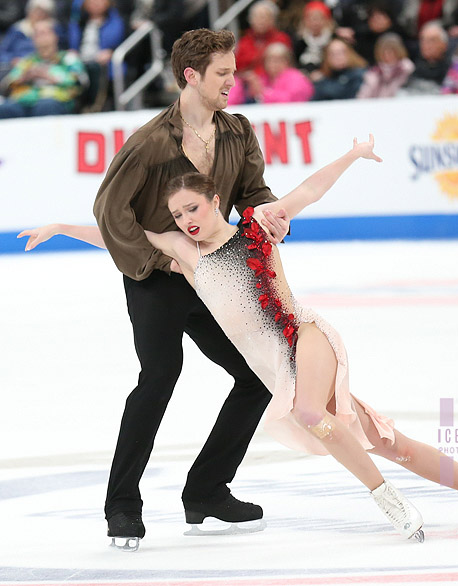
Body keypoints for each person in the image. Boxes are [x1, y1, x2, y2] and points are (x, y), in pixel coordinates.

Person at [19, 135, 458, 543]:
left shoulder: (258, 226)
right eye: (178, 215)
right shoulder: (185, 255)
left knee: (309, 414)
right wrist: (62, 227)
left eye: (194, 209)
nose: (187, 221)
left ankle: (386, 498)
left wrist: (352, 155)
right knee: (390, 442)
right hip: (278, 365)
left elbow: (308, 191)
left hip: (306, 336)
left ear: (215, 199)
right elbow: (122, 238)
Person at [25, 27, 289, 551]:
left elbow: (252, 191)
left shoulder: (237, 131)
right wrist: (158, 261)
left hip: (211, 275)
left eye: (233, 72)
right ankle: (122, 504)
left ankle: (207, 489)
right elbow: (110, 211)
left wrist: (269, 213)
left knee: (260, 374)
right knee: (160, 375)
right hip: (155, 279)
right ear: (191, 75)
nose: (232, 82)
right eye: (222, 73)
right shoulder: (150, 142)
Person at [0, 19, 86, 119]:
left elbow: (81, 81)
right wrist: (24, 78)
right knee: (5, 109)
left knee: (45, 106)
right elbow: (6, 84)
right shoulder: (27, 61)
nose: (41, 38)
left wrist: (49, 76)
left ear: (55, 36)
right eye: (37, 34)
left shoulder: (68, 58)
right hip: (25, 100)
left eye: (44, 33)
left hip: (55, 100)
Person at [228, 42, 314, 105]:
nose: (273, 64)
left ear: (288, 62)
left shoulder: (295, 77)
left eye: (278, 60)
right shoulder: (263, 78)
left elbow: (290, 99)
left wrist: (262, 92)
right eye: (269, 60)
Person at [0, 0, 59, 83]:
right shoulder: (17, 29)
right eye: (36, 12)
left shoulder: (54, 28)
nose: (39, 15)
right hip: (16, 66)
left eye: (43, 13)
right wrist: (12, 60)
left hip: (46, 67)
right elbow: (3, 52)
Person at [235, 1, 293, 76]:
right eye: (257, 17)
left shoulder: (282, 39)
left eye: (265, 17)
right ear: (250, 20)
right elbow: (237, 68)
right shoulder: (244, 41)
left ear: (273, 20)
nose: (261, 21)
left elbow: (287, 67)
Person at [356, 32, 414, 98]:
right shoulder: (374, 73)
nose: (387, 55)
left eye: (392, 51)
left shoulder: (406, 68)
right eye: (384, 52)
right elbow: (364, 94)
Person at [403, 20, 452, 94]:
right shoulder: (414, 67)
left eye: (432, 40)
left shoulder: (453, 67)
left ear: (444, 44)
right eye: (423, 40)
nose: (426, 45)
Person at [292, 1, 335, 78]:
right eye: (311, 19)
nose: (315, 23)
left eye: (319, 19)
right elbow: (294, 61)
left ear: (327, 20)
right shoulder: (299, 40)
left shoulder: (332, 40)